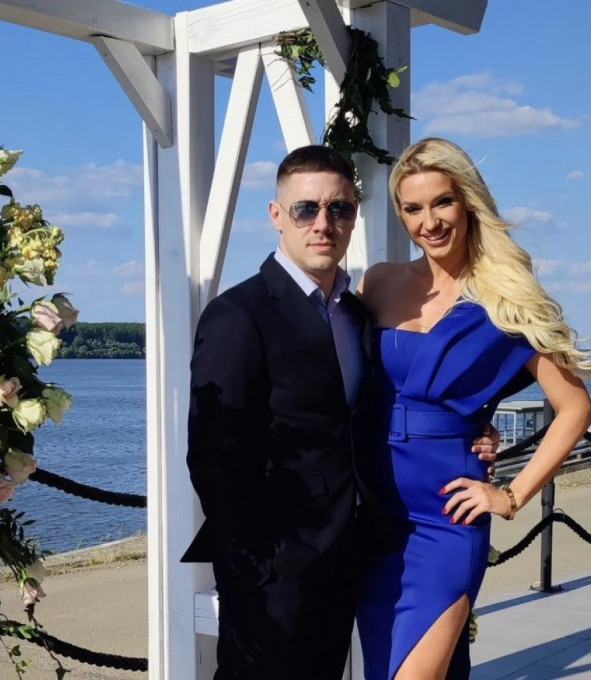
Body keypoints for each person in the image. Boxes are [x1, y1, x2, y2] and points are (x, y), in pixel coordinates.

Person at [182, 144, 499, 680]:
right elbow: (213, 458)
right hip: (275, 571)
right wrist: (260, 563)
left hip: (353, 553)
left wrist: (473, 427)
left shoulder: (356, 312)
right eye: (306, 209)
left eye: (339, 208)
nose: (323, 223)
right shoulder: (238, 315)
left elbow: (388, 402)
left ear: (354, 216)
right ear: (277, 215)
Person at [355, 137, 591, 680]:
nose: (429, 222)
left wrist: (510, 496)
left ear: (467, 201)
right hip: (375, 512)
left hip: (446, 516)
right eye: (412, 208)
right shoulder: (379, 282)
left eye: (442, 202)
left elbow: (574, 408)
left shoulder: (508, 298)